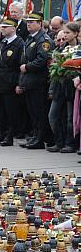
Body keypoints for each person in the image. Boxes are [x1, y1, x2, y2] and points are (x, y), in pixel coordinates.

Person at [18, 13, 53, 150]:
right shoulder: (30, 38)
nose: (29, 24)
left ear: (40, 23)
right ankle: (35, 136)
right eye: (28, 22)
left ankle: (40, 139)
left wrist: (27, 67)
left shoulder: (43, 40)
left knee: (39, 112)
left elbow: (42, 59)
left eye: (32, 22)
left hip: (39, 81)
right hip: (29, 81)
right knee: (33, 111)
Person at [0, 19, 24, 147]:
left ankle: (9, 136)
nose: (3, 29)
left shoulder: (19, 43)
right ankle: (0, 134)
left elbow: (20, 65)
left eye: (6, 27)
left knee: (10, 111)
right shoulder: (3, 42)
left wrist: (19, 83)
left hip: (10, 81)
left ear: (13, 28)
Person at [48, 24, 79, 153]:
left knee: (70, 118)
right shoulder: (60, 49)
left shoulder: (79, 49)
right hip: (59, 87)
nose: (65, 36)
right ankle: (58, 142)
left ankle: (70, 144)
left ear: (76, 33)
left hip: (72, 87)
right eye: (64, 33)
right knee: (53, 116)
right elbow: (53, 67)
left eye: (67, 33)